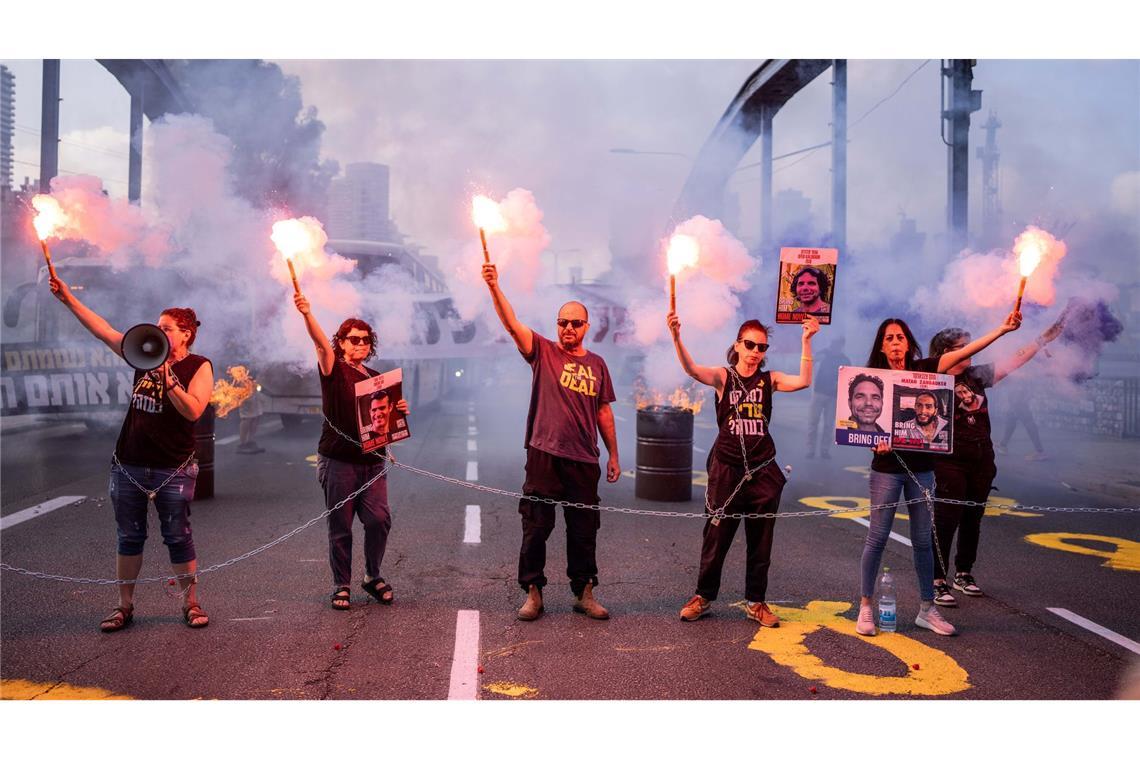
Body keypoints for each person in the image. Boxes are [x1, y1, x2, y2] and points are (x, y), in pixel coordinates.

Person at [49, 276, 214, 632]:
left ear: (185, 333)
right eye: (156, 326)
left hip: (174, 468)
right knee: (128, 536)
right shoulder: (144, 355)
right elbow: (104, 332)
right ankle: (124, 606)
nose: (157, 332)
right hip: (129, 465)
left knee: (178, 535)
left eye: (166, 328)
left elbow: (193, 411)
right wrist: (67, 299)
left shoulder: (198, 366)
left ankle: (191, 603)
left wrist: (167, 376)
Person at [854, 313, 1021, 638]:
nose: (895, 343)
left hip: (923, 470)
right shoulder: (871, 379)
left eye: (900, 337)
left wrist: (1001, 329)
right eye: (888, 338)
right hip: (887, 471)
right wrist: (875, 443)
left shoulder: (925, 370)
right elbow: (858, 423)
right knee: (877, 538)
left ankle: (927, 609)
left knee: (921, 541)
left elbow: (964, 353)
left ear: (909, 343)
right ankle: (865, 607)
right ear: (881, 347)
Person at [482, 262, 619, 621]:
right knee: (536, 527)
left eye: (575, 323)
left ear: (587, 327)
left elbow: (604, 412)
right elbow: (511, 323)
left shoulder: (598, 364)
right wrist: (495, 287)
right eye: (562, 322)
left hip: (584, 460)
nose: (568, 328)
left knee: (584, 531)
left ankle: (584, 593)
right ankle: (533, 592)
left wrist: (613, 454)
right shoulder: (543, 351)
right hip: (544, 454)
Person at [669, 310, 819, 625]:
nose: (755, 352)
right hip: (727, 469)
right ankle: (703, 596)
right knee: (716, 538)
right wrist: (676, 336)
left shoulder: (770, 379)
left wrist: (807, 340)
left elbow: (805, 381)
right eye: (749, 345)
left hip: (762, 470)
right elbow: (693, 370)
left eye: (761, 347)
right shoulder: (724, 377)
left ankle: (756, 602)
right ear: (737, 345)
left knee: (761, 539)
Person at [926, 316, 1062, 606]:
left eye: (969, 346)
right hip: (949, 461)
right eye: (961, 347)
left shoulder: (975, 376)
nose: (969, 351)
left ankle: (964, 573)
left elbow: (1014, 361)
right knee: (946, 520)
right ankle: (937, 580)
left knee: (972, 520)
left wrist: (1040, 341)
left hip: (981, 459)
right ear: (944, 352)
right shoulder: (931, 378)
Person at [293, 293, 409, 610]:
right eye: (353, 339)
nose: (360, 344)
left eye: (365, 340)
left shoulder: (375, 379)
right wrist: (307, 313)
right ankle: (341, 585)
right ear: (341, 342)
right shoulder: (333, 368)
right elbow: (318, 344)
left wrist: (399, 410)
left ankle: (372, 576)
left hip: (372, 462)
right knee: (340, 526)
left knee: (378, 520)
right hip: (338, 462)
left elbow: (384, 422)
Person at [806, 336, 849, 459]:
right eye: (833, 343)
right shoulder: (824, 353)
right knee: (813, 422)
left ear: (841, 346)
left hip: (833, 396)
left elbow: (848, 378)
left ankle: (824, 450)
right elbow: (811, 361)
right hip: (818, 393)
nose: (834, 346)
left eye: (837, 344)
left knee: (828, 425)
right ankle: (810, 450)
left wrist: (839, 383)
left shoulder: (844, 360)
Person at [234, 365, 265, 455]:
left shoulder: (254, 365)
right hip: (245, 395)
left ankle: (250, 441)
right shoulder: (242, 368)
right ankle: (243, 443)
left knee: (256, 417)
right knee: (247, 419)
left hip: (254, 394)